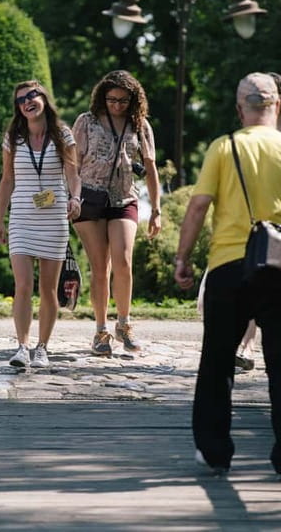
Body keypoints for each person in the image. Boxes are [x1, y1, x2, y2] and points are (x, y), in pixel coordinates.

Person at [173, 72, 281, 479]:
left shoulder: (223, 148)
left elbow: (197, 207)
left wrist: (183, 258)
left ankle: (214, 451)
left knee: (217, 361)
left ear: (241, 108)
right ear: (277, 106)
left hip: (228, 267)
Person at [198, 73, 281, 373]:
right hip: (249, 227)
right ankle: (247, 347)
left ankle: (247, 348)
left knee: (257, 284)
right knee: (255, 283)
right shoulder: (244, 136)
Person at [71, 70, 161, 357]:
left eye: (123, 100)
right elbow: (72, 165)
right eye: (111, 99)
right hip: (89, 197)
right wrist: (70, 197)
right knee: (100, 267)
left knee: (122, 260)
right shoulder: (86, 122)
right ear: (102, 96)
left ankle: (124, 323)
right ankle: (100, 329)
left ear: (133, 100)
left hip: (124, 198)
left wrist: (157, 210)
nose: (117, 105)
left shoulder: (140, 125)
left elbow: (150, 167)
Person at [0, 81, 82, 369]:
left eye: (32, 95)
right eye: (21, 100)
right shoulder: (13, 136)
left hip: (53, 216)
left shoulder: (62, 134)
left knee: (47, 288)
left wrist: (76, 198)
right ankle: (22, 346)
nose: (27, 102)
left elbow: (73, 173)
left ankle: (42, 348)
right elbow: (7, 180)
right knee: (22, 285)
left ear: (44, 98)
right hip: (21, 216)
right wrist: (0, 220)